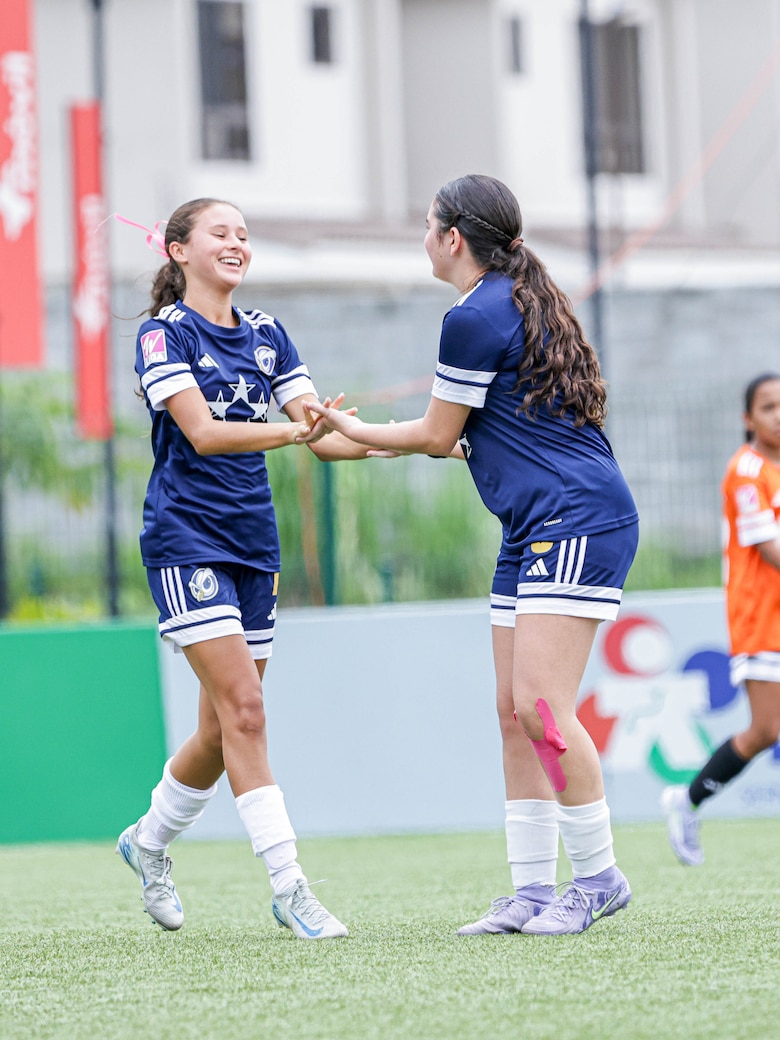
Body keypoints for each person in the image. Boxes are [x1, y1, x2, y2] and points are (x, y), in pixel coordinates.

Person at [305, 174, 639, 935]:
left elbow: (429, 433)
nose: (423, 236)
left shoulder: (476, 313)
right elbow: (465, 438)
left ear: (453, 237)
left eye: (427, 224)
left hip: (575, 518)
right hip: (536, 523)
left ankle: (598, 877)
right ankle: (530, 890)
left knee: (543, 707)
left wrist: (346, 429)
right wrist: (353, 447)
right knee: (512, 711)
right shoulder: (508, 301)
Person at [116, 197, 375, 939]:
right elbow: (200, 433)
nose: (236, 244)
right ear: (179, 252)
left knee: (219, 731)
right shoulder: (163, 335)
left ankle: (149, 841)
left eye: (243, 235)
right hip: (186, 539)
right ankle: (292, 887)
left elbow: (319, 436)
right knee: (249, 714)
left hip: (253, 544)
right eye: (219, 234)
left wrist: (416, 442)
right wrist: (294, 433)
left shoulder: (267, 333)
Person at [662, 372, 780, 866]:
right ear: (747, 418)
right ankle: (686, 801)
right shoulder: (747, 470)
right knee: (765, 731)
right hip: (762, 620)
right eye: (769, 406)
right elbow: (770, 549)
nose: (779, 414)